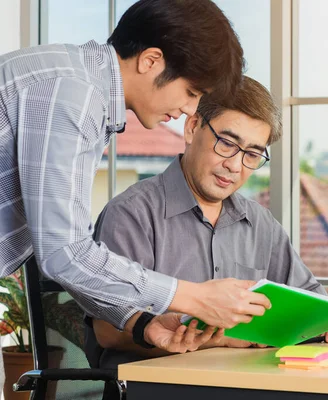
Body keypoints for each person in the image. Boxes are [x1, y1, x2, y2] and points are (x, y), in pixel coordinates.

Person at [0, 1, 270, 382]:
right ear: (151, 60)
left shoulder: (79, 88)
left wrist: (142, 323)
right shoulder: (71, 95)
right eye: (191, 91)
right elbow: (66, 253)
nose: (189, 108)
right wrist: (194, 296)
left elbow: (63, 254)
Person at [85, 76, 328, 375]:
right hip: (154, 389)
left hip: (251, 388)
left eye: (252, 154)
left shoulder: (262, 225)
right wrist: (221, 339)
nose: (235, 165)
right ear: (192, 128)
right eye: (227, 143)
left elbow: (312, 309)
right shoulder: (131, 214)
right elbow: (107, 331)